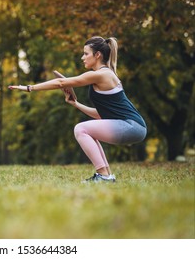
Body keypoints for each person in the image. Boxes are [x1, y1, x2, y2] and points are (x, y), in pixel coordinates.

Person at [9, 36, 147, 182]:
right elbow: (102, 115)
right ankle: (107, 176)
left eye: (86, 53)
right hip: (133, 126)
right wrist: (76, 104)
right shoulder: (104, 75)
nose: (83, 57)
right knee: (87, 130)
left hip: (132, 126)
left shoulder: (101, 74)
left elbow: (61, 82)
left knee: (80, 129)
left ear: (98, 55)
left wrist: (30, 88)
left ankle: (104, 176)